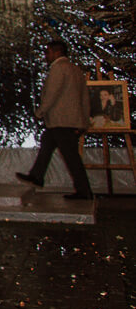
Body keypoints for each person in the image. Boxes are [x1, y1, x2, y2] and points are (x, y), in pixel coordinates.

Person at [17, 41, 94, 199]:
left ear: (56, 52)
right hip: (69, 121)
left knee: (71, 157)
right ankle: (37, 175)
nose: (46, 56)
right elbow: (85, 97)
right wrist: (84, 121)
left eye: (48, 52)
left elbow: (52, 94)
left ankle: (84, 191)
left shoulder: (58, 68)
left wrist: (39, 112)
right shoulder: (76, 69)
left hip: (62, 121)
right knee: (47, 143)